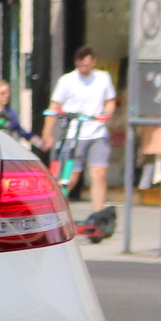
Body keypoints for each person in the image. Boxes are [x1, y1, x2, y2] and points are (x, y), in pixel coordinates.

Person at [46, 47, 118, 220]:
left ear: (94, 62)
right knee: (70, 178)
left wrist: (106, 114)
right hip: (74, 134)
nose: (84, 68)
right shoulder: (67, 81)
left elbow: (110, 101)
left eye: (87, 65)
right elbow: (54, 107)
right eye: (81, 65)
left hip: (97, 133)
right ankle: (55, 212)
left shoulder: (103, 77)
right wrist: (47, 133)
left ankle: (98, 215)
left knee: (98, 174)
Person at [0, 80, 40, 153]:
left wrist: (40, 144)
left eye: (8, 92)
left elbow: (21, 131)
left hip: (6, 152)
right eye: (3, 93)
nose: (6, 95)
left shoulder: (11, 113)